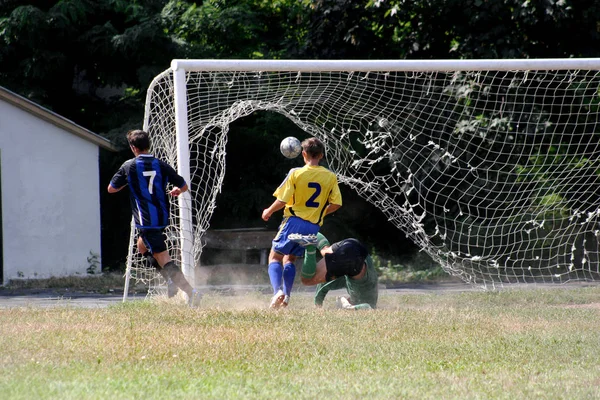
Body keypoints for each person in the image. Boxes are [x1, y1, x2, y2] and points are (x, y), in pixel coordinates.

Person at [107, 129, 201, 307]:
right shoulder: (161, 164)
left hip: (146, 220)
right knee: (141, 246)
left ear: (133, 147)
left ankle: (191, 293)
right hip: (160, 217)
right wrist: (177, 190)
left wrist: (129, 181)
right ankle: (170, 280)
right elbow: (183, 185)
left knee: (164, 258)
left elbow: (111, 188)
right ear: (148, 145)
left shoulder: (129, 166)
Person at [261, 137, 342, 309]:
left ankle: (277, 292)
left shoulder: (296, 173)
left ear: (303, 154)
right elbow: (336, 203)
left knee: (275, 256)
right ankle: (287, 296)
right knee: (290, 258)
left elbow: (282, 200)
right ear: (321, 155)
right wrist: (320, 212)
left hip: (293, 221)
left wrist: (268, 210)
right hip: (313, 226)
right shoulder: (330, 176)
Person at [289, 232, 378, 310]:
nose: (348, 299)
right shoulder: (364, 299)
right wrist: (349, 307)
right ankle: (310, 247)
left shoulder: (347, 281)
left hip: (354, 244)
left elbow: (323, 285)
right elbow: (368, 307)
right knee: (307, 280)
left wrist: (318, 304)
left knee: (325, 251)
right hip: (354, 260)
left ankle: (311, 232)